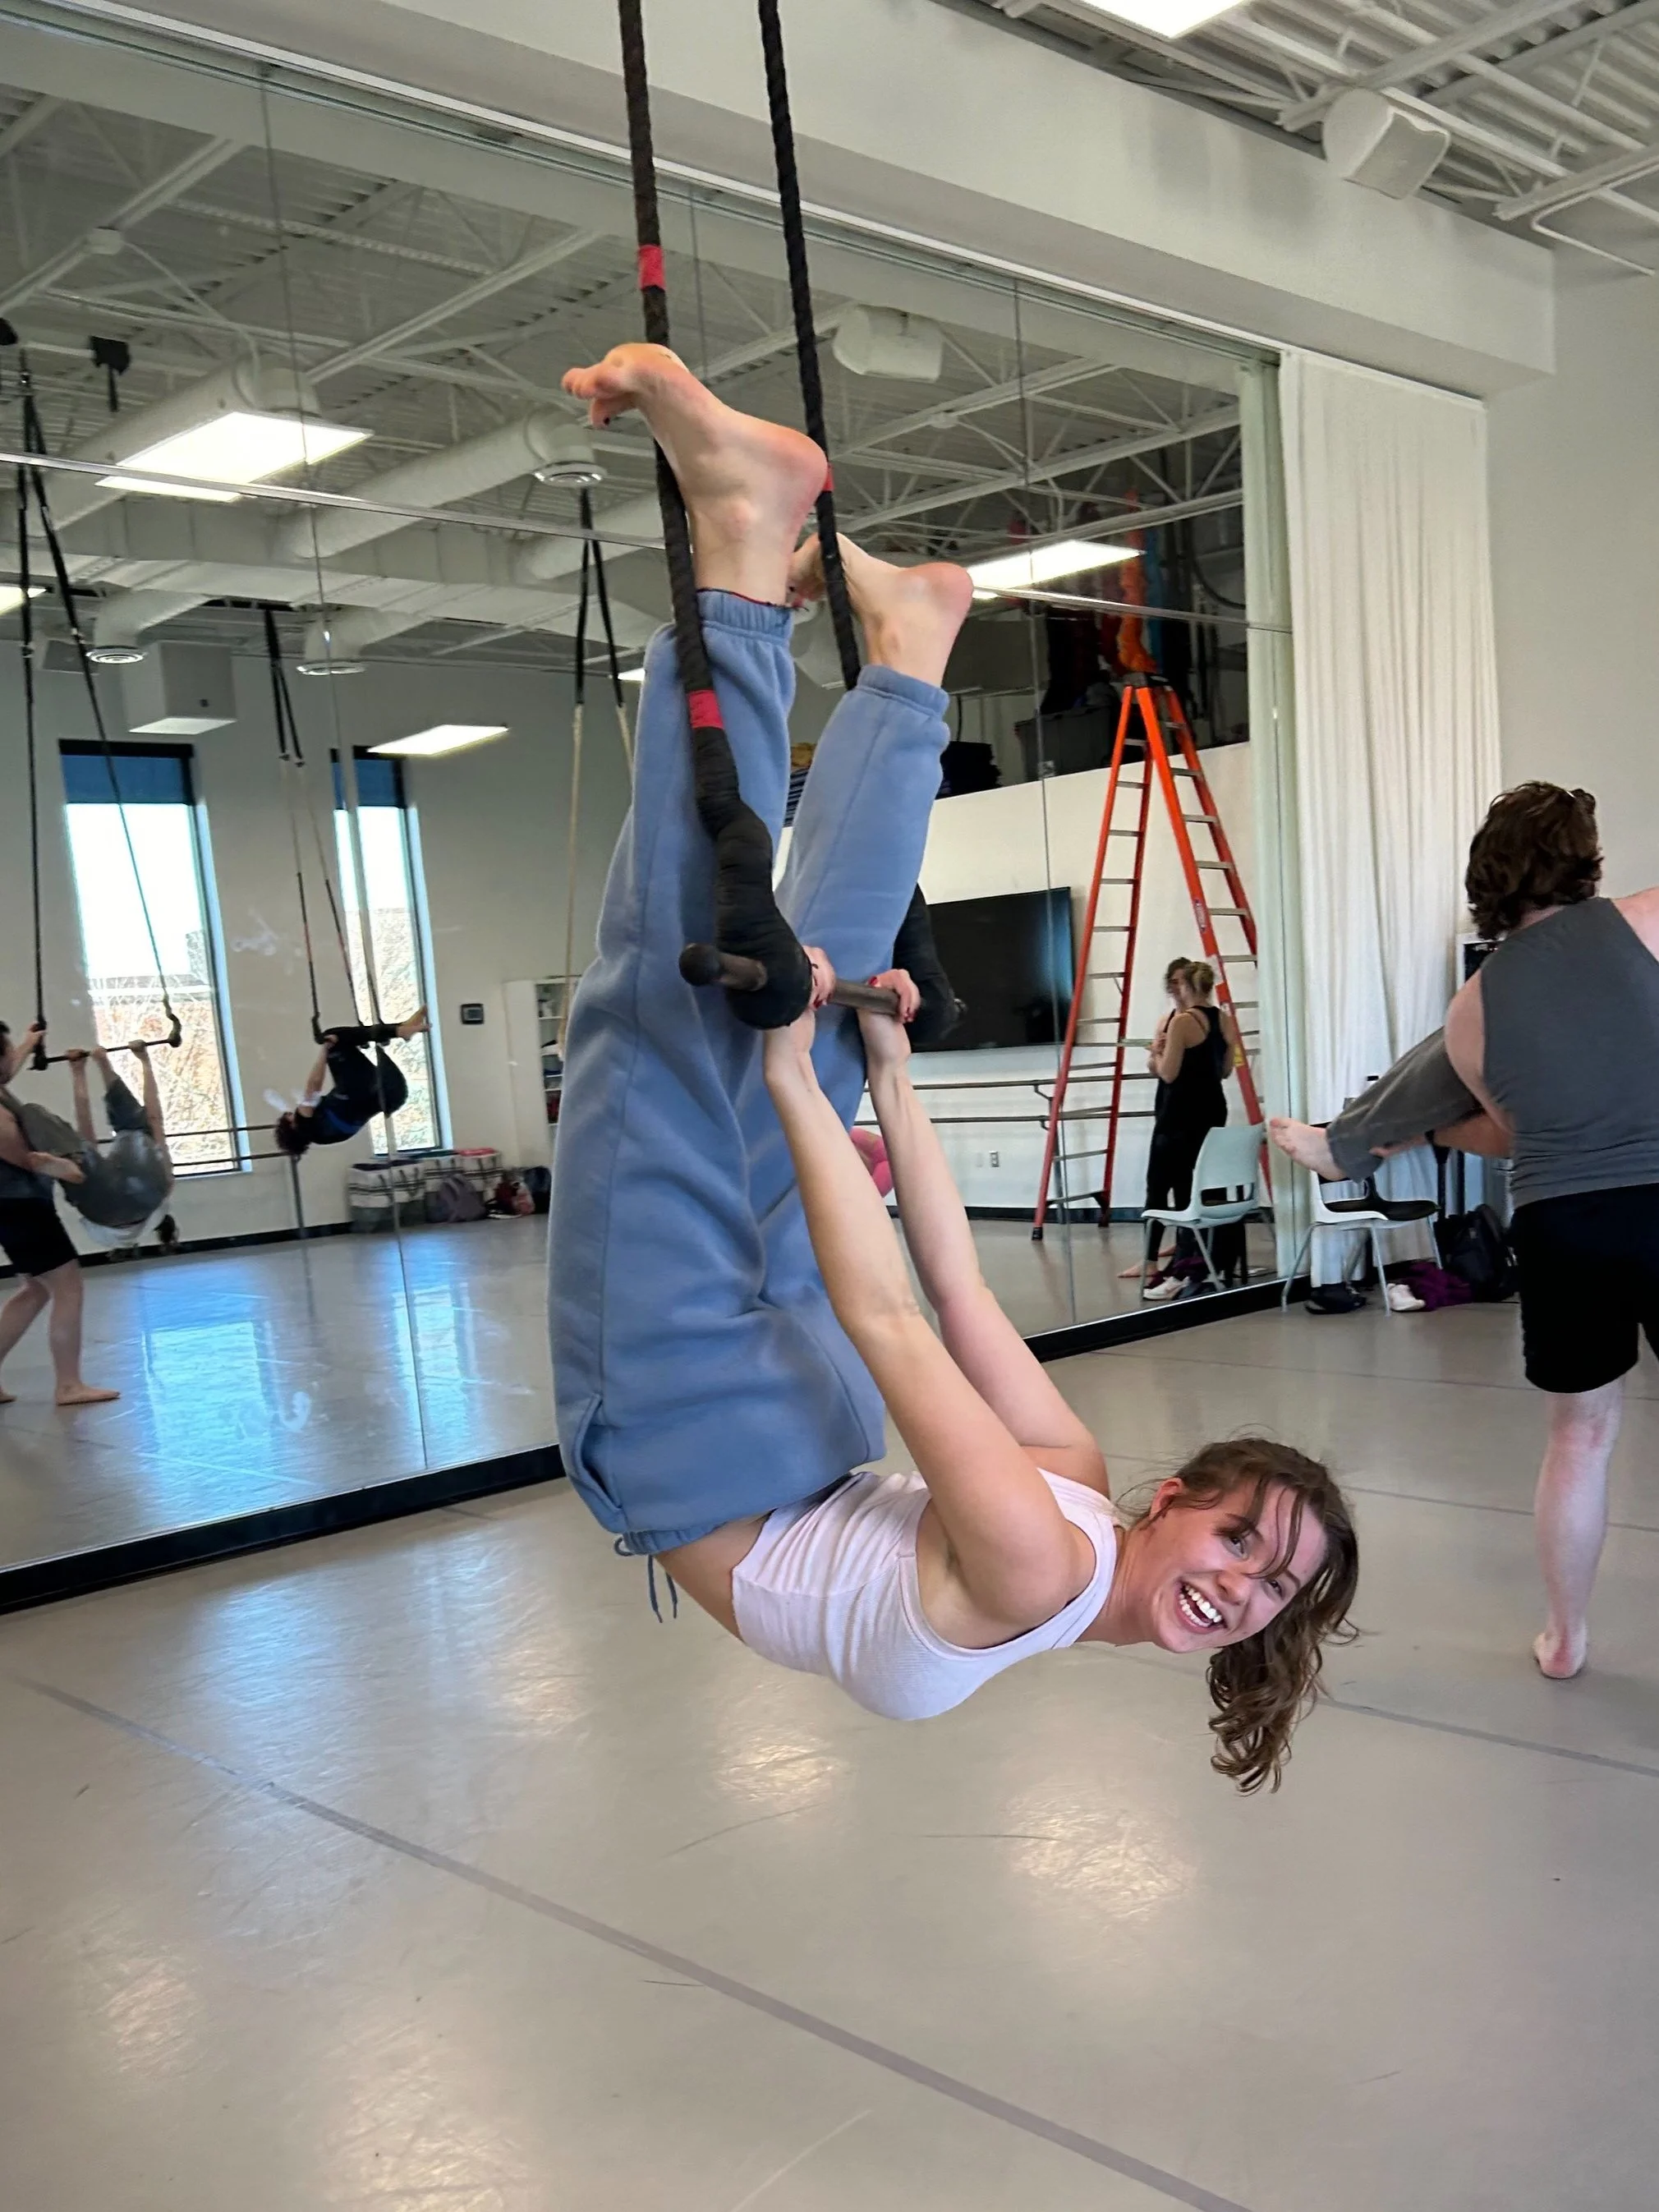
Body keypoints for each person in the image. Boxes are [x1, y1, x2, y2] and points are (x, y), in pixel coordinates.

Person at [549, 342, 1358, 1788]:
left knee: (771, 1003)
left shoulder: (1075, 1482)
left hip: (796, 1425)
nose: (1240, 1589)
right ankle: (739, 541)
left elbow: (951, 1295)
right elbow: (910, 1318)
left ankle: (913, 653)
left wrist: (877, 1058)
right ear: (1173, 1500)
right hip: (712, 1429)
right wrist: (823, 1072)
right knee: (657, 1012)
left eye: (1269, 1587)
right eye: (1242, 1540)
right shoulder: (1046, 1561)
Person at [1273, 783, 1657, 1682]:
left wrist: (1425, 1130)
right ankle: (1344, 1139)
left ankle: (1564, 1639)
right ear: (1585, 860)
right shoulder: (1644, 923)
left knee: (1580, 1439)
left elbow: (1515, 1133)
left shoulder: (1469, 1013)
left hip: (1563, 1219)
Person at [0, 1020, 119, 1408]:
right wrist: (66, 1168)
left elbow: (8, 1068)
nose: (10, 1056)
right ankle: (69, 1385)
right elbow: (30, 1160)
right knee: (68, 1285)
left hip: (13, 1208)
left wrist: (27, 1041)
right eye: (5, 1050)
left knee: (34, 1289)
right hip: (22, 1209)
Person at [1127, 958, 1244, 1301]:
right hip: (1211, 1109)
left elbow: (1168, 1073)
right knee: (1195, 1185)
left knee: (1162, 1185)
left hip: (1178, 1113)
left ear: (1187, 986)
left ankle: (1176, 1260)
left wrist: (1156, 1054)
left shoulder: (1181, 1022)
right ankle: (1190, 1256)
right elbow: (1226, 1071)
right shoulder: (1225, 1019)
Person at [7, 1042, 177, 1253]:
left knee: (133, 1129)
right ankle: (68, 1161)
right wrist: (78, 1072)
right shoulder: (104, 1229)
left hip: (147, 1195)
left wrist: (143, 1060)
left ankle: (70, 1160)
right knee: (36, 1116)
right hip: (105, 1210)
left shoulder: (164, 1190)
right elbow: (87, 1134)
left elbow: (154, 1118)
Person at [273, 1011, 429, 1158]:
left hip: (391, 1096)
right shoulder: (303, 1124)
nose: (294, 1111)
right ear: (291, 1126)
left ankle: (402, 1029)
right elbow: (313, 1086)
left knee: (340, 1041)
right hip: (368, 1088)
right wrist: (324, 1051)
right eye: (291, 1115)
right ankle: (400, 1030)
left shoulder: (321, 1138)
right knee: (331, 1039)